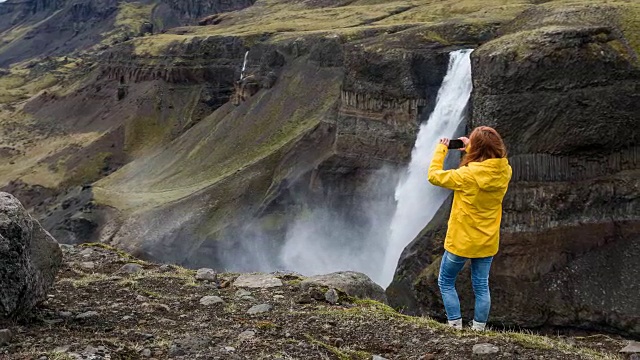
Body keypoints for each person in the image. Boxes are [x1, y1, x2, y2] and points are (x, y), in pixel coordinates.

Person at [427, 126, 512, 331]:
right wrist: (471, 147)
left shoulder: (466, 176)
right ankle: (479, 329)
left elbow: (434, 175)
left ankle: (455, 326)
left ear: (477, 150)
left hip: (461, 240)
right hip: (487, 240)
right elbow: (486, 166)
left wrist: (442, 149)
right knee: (481, 286)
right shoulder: (505, 171)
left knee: (446, 281)